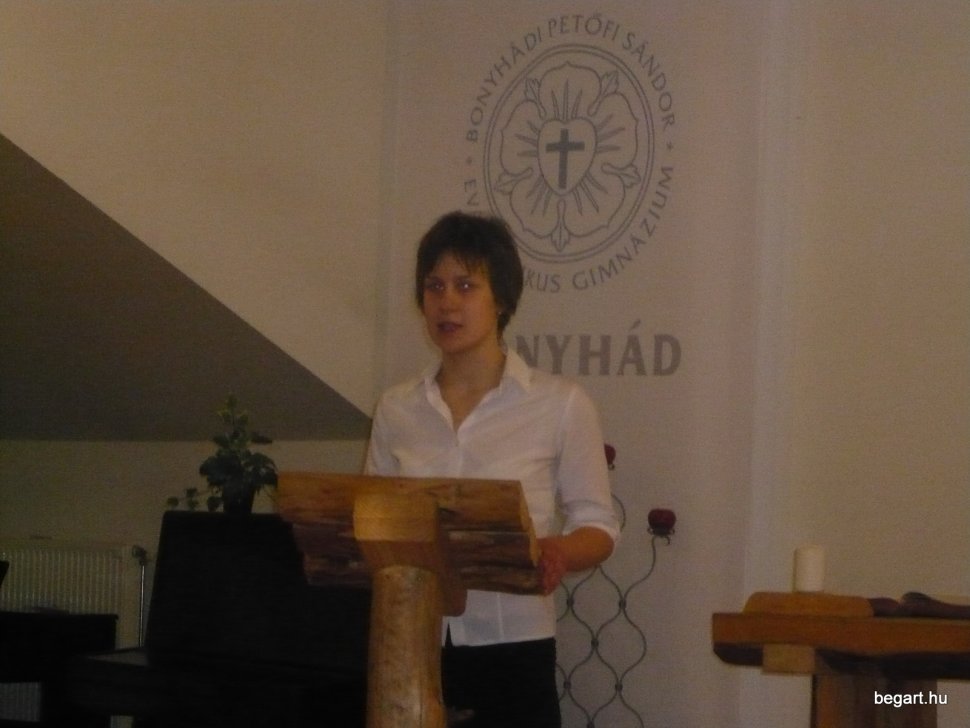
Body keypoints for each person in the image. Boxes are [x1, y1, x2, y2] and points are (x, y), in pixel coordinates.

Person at [364, 210, 619, 728]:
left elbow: (599, 527)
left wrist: (556, 551)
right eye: (434, 286)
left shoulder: (561, 403)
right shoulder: (396, 408)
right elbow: (370, 522)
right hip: (410, 638)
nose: (447, 302)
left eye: (465, 285)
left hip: (513, 651)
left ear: (500, 299)